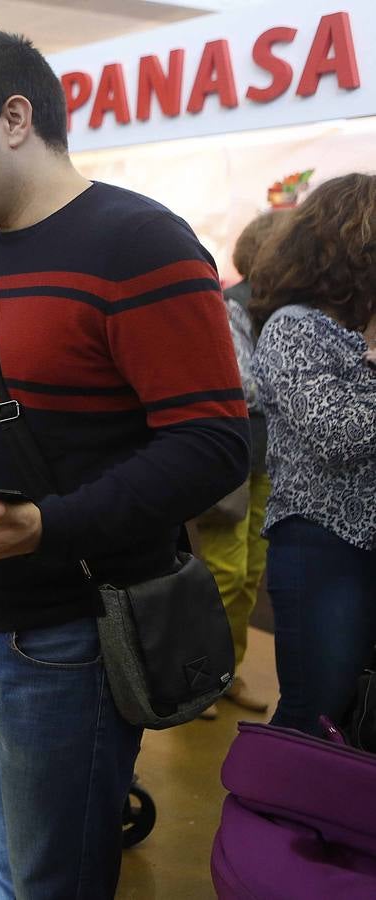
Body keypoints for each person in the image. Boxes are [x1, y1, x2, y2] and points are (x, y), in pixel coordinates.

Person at [0, 32, 249, 899]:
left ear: (14, 119)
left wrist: (49, 527)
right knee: (2, 866)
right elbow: (9, 416)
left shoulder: (141, 242)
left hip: (70, 638)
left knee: (52, 882)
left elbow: (211, 443)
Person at [249, 173, 376, 738]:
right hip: (325, 546)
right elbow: (340, 436)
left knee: (355, 715)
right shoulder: (295, 328)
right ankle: (269, 824)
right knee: (315, 714)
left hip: (358, 549)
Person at [194, 210, 290, 719]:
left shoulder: (282, 309)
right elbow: (241, 383)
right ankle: (201, 674)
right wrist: (297, 381)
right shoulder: (231, 305)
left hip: (267, 457)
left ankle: (226, 671)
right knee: (223, 574)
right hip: (232, 457)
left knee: (251, 573)